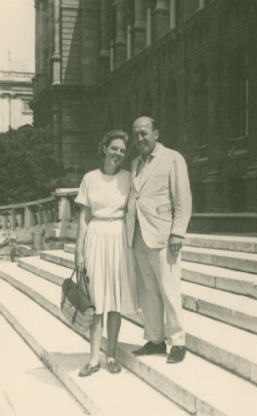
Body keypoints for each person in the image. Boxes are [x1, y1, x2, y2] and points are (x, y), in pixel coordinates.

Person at [126, 117, 192, 364]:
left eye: (144, 133)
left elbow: (182, 198)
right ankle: (155, 339)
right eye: (136, 135)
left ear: (156, 133)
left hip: (164, 236)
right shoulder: (134, 164)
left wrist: (178, 232)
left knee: (169, 290)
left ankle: (178, 343)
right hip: (140, 236)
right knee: (148, 292)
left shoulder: (173, 158)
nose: (140, 139)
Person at [75, 130, 138, 377]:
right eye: (114, 148)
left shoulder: (128, 177)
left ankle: (110, 355)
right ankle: (93, 359)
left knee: (114, 302)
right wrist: (79, 252)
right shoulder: (89, 178)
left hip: (120, 238)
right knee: (97, 301)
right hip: (96, 236)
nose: (118, 154)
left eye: (122, 151)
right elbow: (83, 218)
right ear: (104, 148)